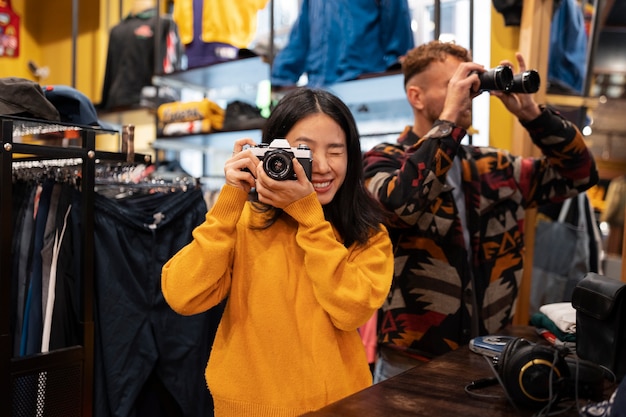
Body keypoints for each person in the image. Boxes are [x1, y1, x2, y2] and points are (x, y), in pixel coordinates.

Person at [361, 40, 598, 382]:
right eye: (452, 84)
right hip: (410, 360)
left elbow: (580, 174)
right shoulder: (382, 160)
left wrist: (533, 116)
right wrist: (449, 122)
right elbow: (402, 206)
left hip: (489, 352)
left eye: (471, 83)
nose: (468, 92)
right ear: (416, 96)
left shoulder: (494, 166)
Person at [161, 87, 394, 416]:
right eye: (304, 150)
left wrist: (309, 218)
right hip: (246, 407)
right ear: (272, 152)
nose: (323, 166)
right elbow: (182, 294)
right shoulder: (244, 221)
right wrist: (231, 199)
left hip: (340, 404)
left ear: (352, 156)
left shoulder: (368, 233)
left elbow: (351, 310)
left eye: (336, 150)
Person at [270, 0, 414, 88]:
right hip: (321, 88)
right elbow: (301, 36)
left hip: (363, 82)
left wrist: (397, 63)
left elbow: (397, 17)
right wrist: (281, 75)